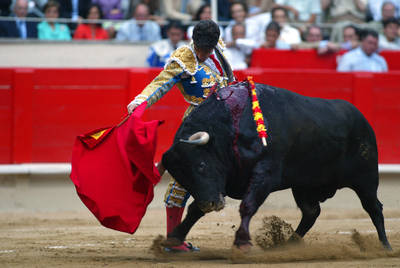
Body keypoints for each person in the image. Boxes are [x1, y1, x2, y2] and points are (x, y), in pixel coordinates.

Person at [126, 20, 234, 252]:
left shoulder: (217, 51)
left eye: (208, 48)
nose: (204, 53)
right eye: (201, 48)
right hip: (198, 126)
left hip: (227, 122)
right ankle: (173, 240)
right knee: (181, 183)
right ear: (194, 42)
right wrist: (140, 103)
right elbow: (161, 84)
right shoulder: (184, 57)